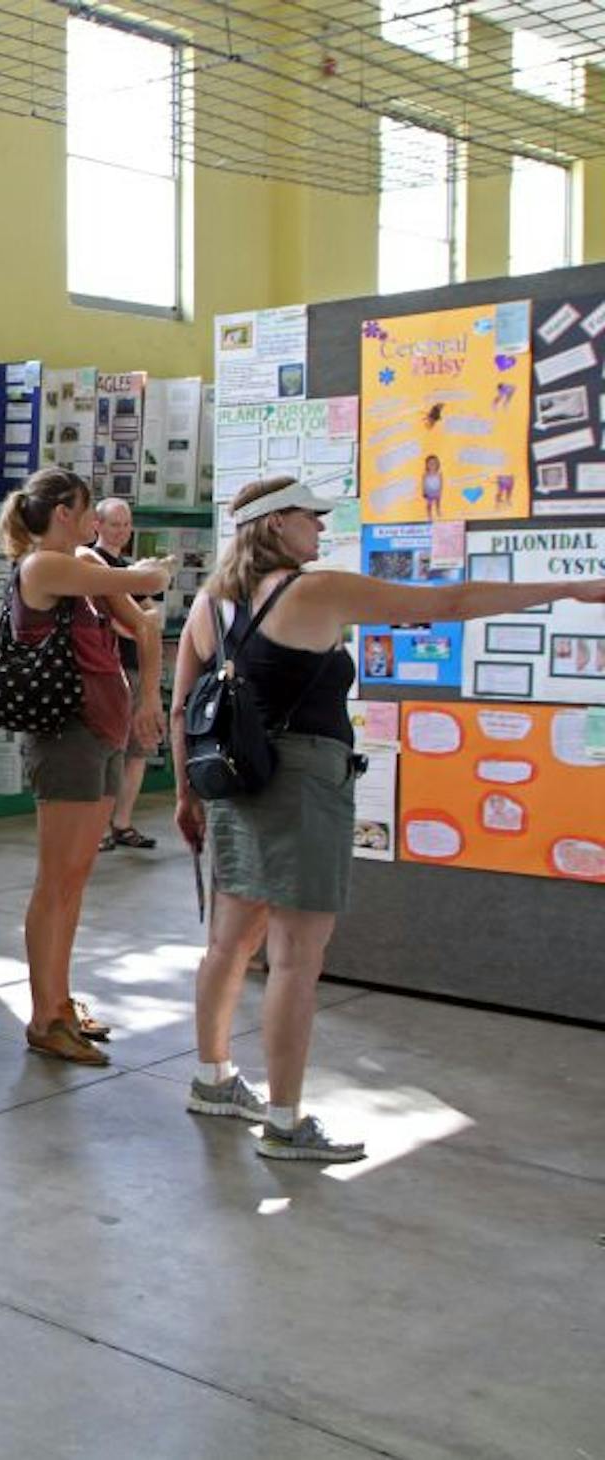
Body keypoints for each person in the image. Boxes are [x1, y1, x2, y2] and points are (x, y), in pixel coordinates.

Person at [171, 474, 605, 1161]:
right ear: (277, 523)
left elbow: (182, 707)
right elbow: (450, 601)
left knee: (230, 942)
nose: (321, 527)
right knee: (296, 958)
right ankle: (284, 1123)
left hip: (234, 783)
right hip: (303, 784)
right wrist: (570, 588)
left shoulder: (211, 603)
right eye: (311, 516)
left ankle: (213, 1078)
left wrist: (186, 796)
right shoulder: (312, 591)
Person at [0, 468, 175, 1066]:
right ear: (65, 513)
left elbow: (142, 623)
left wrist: (147, 698)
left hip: (102, 732)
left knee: (73, 881)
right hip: (66, 738)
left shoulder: (83, 566)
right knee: (57, 882)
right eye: (88, 507)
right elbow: (145, 584)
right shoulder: (45, 567)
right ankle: (45, 1017)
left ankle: (60, 1002)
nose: (96, 518)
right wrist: (150, 573)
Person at [84, 496, 164, 851]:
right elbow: (129, 619)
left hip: (135, 667)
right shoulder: (90, 565)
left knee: (138, 747)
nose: (121, 531)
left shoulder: (129, 572)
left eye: (126, 524)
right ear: (97, 525)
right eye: (114, 524)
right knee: (108, 749)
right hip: (106, 671)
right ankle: (98, 827)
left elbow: (150, 618)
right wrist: (136, 620)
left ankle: (122, 822)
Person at [419, 454, 443, 519]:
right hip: (429, 492)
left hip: (437, 491)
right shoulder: (425, 474)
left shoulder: (439, 474)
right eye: (430, 463)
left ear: (437, 464)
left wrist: (440, 490)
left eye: (434, 463)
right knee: (429, 504)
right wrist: (424, 491)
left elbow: (441, 483)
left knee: (438, 502)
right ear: (427, 465)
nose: (432, 465)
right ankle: (429, 514)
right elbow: (424, 484)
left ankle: (438, 510)